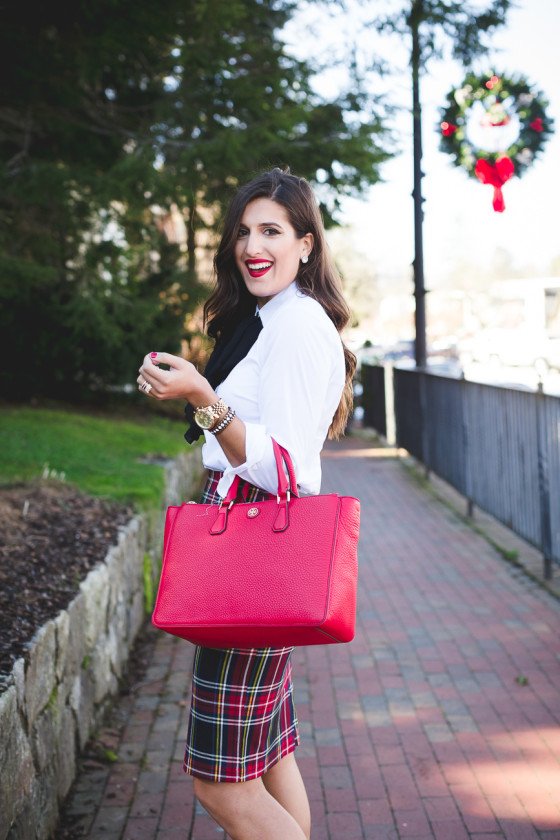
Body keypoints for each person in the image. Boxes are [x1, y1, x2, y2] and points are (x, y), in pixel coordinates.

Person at [137, 167, 356, 840]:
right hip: (255, 555)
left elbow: (285, 468)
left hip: (251, 555)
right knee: (269, 755)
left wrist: (206, 399)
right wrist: (207, 399)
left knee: (222, 783)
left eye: (272, 231)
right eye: (244, 230)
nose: (252, 245)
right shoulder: (275, 318)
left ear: (307, 245)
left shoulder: (295, 326)